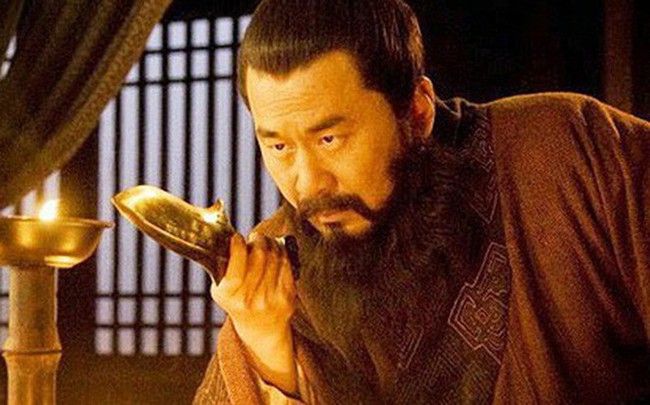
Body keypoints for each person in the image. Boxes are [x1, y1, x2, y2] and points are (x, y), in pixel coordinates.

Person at [193, 0, 650, 403]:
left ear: (416, 110)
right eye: (279, 147)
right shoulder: (273, 269)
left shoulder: (567, 151)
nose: (309, 184)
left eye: (330, 139)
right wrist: (267, 348)